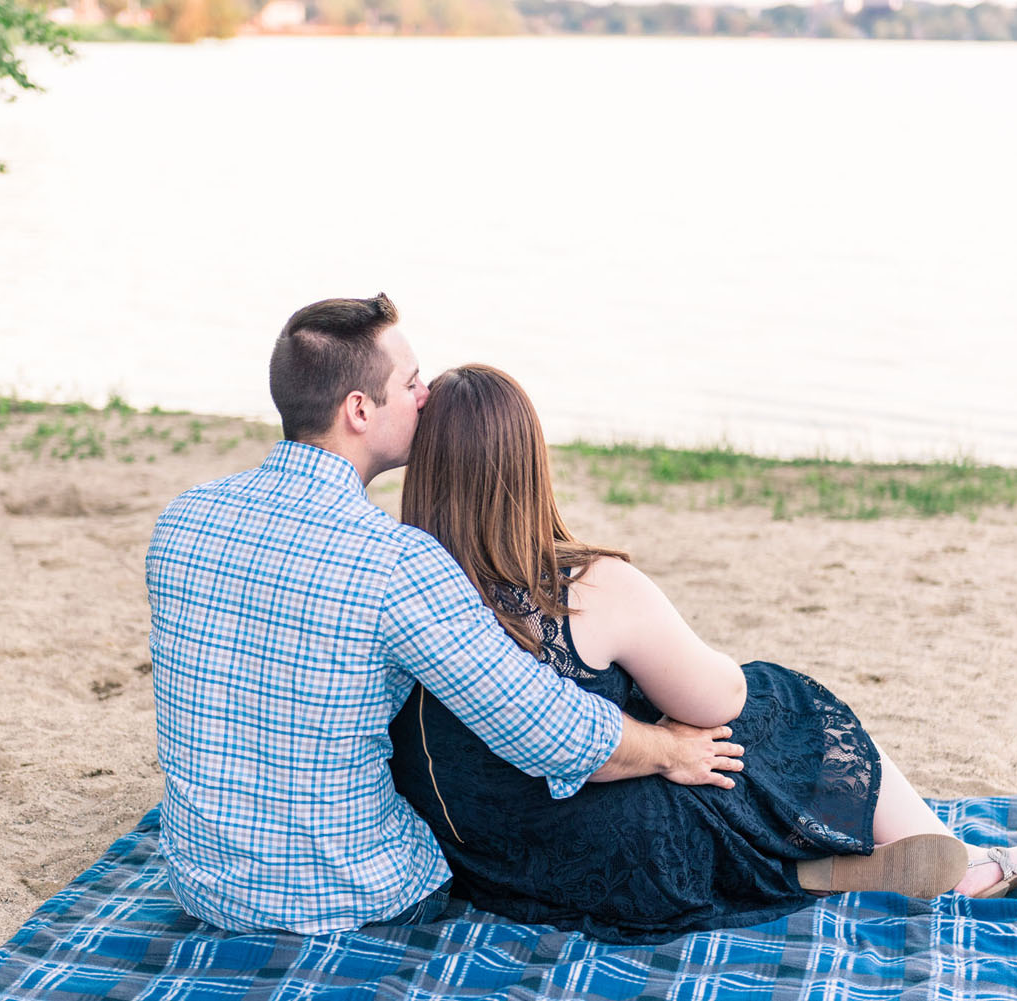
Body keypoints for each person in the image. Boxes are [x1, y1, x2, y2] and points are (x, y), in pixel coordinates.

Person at [388, 363, 1017, 942]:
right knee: (777, 697)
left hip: (489, 866)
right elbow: (720, 699)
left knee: (661, 719)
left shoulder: (397, 593)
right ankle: (960, 863)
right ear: (530, 464)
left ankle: (812, 866)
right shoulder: (588, 587)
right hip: (633, 863)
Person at [145, 294, 751, 936]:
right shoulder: (394, 562)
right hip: (347, 896)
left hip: (201, 883)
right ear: (359, 410)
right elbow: (547, 728)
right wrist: (667, 750)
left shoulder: (183, 517)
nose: (425, 393)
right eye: (410, 383)